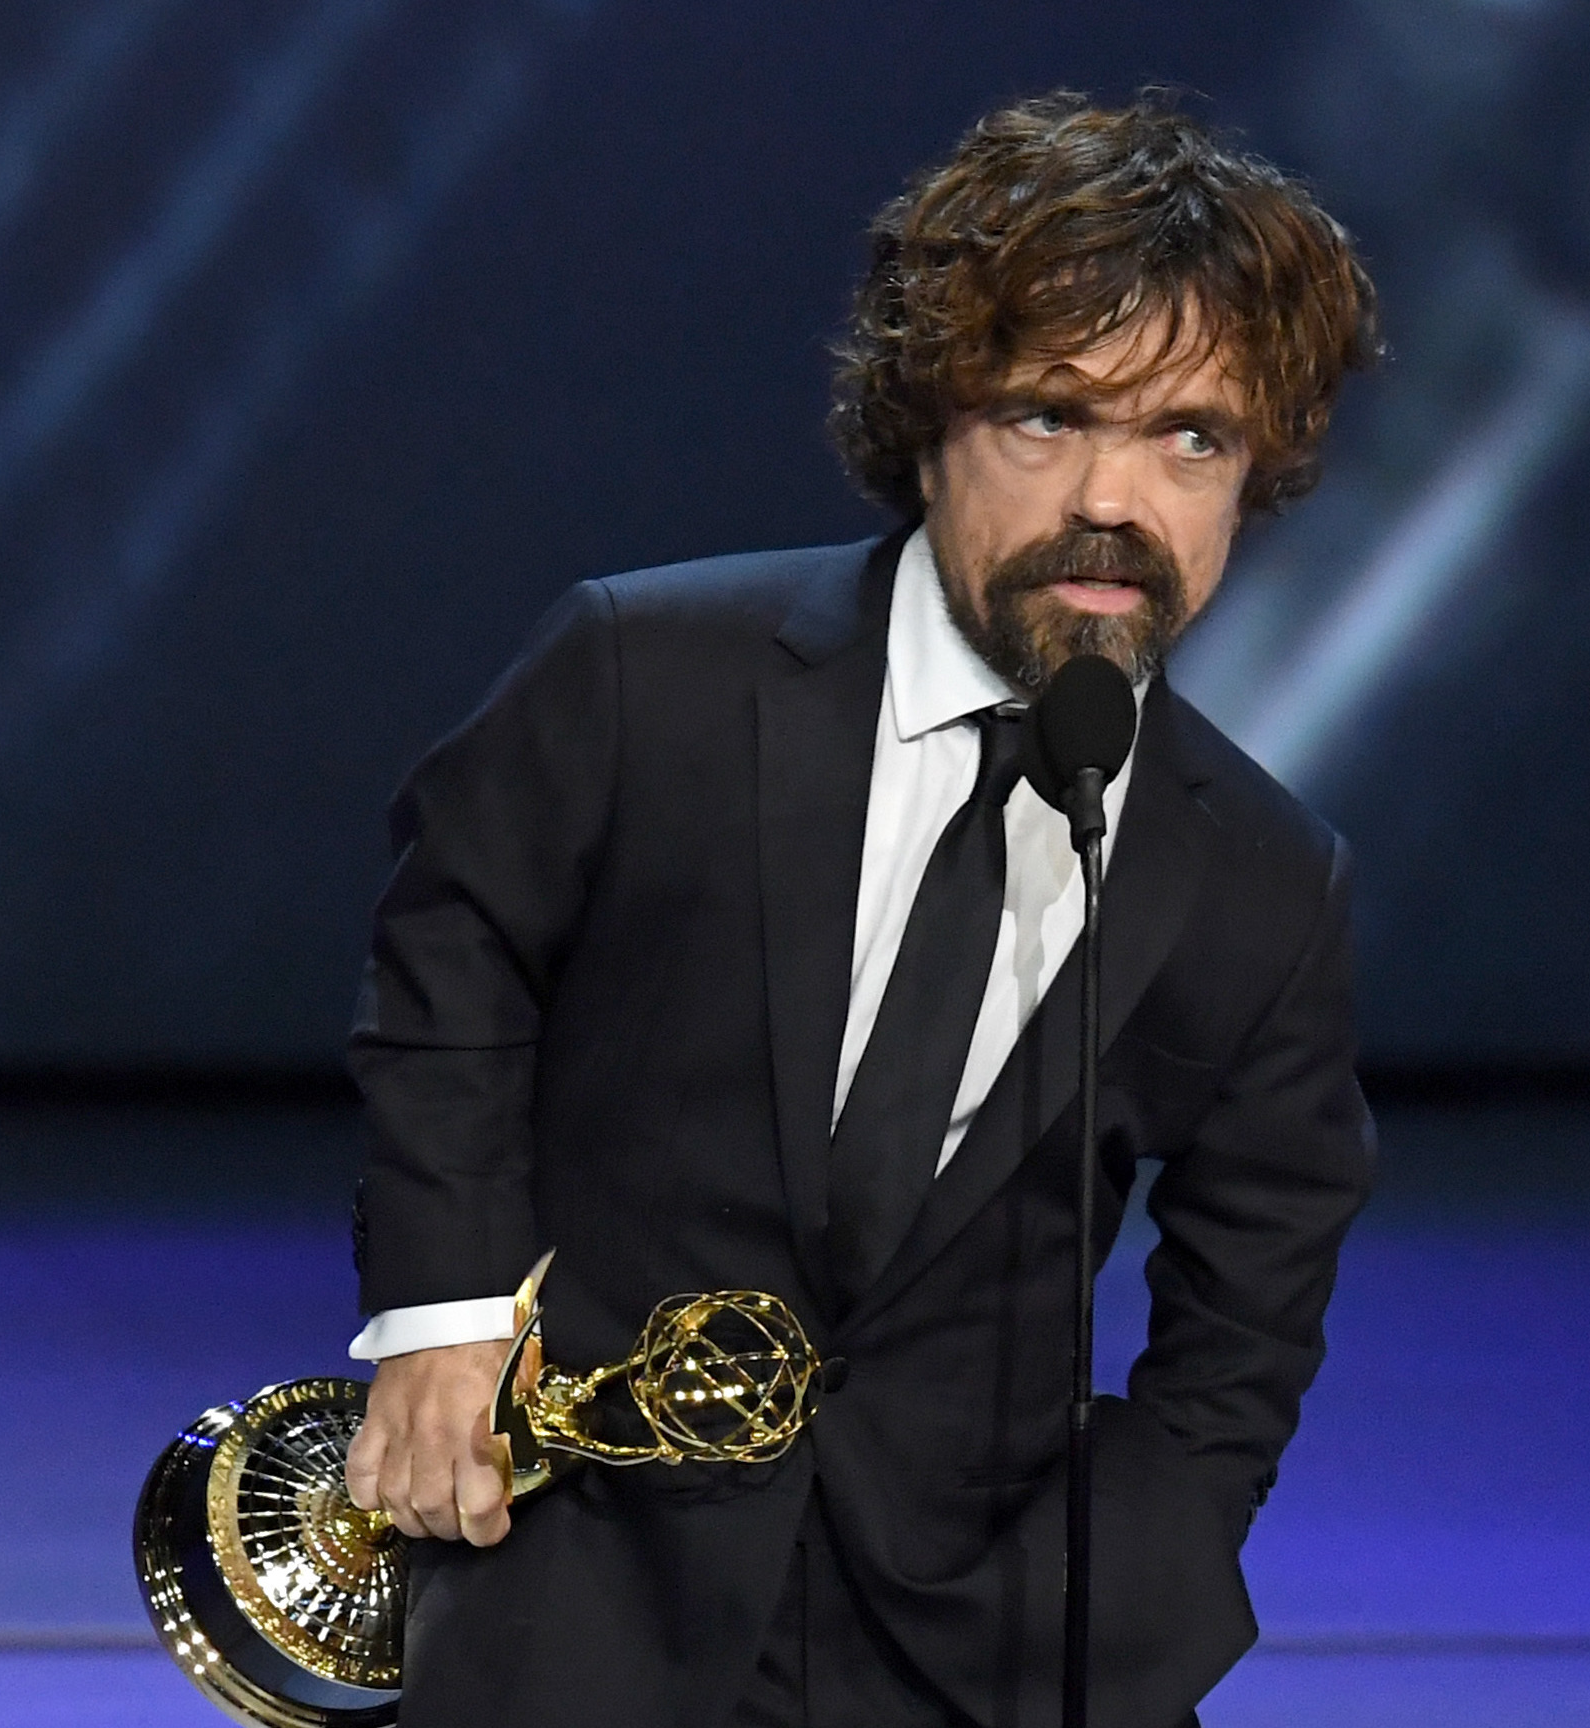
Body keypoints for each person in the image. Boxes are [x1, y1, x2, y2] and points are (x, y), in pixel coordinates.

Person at [340, 92, 1381, 1728]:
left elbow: (1253, 1297)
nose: (1116, 498)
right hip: (577, 1585)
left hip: (984, 1646)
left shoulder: (1261, 874)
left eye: (1193, 437)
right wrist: (449, 1322)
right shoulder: (646, 676)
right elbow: (452, 961)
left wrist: (1137, 1579)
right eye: (1049, 415)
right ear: (927, 419)